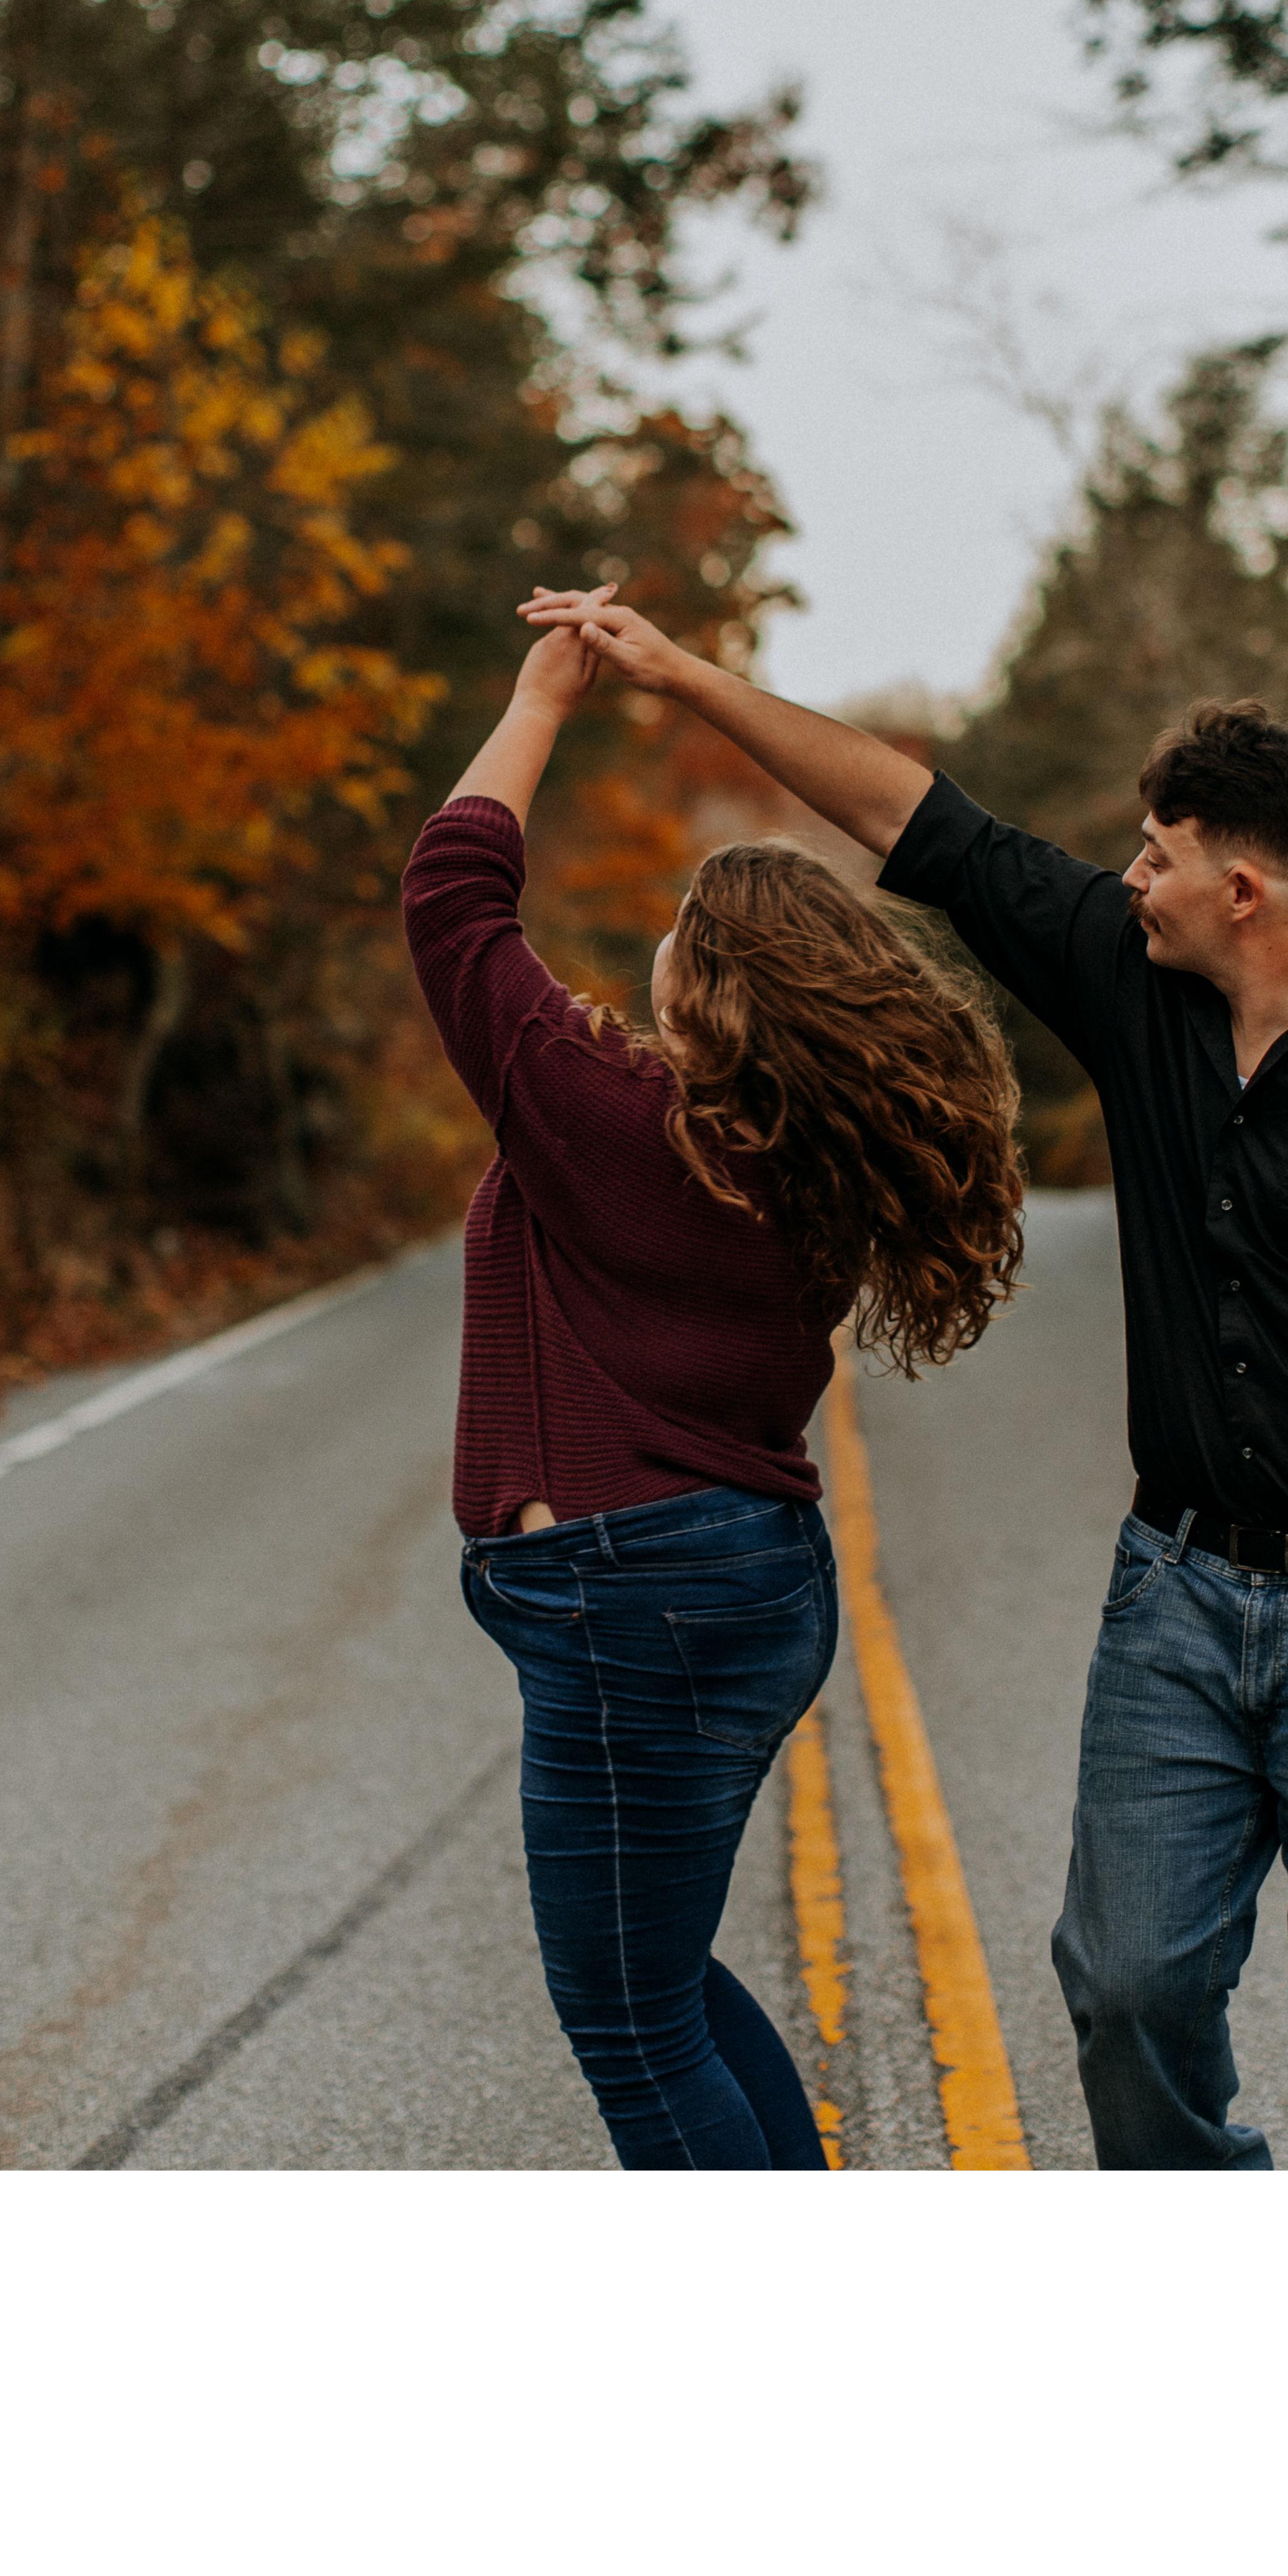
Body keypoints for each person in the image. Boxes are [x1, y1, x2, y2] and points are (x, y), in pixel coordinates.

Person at [523, 587, 1288, 2172]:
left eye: (1156, 856)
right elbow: (919, 820)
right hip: (1178, 1594)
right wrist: (685, 675)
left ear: (1242, 889)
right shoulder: (1137, 987)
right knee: (1123, 1990)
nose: (1130, 879)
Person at [401, 600, 1025, 2170]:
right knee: (661, 1988)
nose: (663, 937)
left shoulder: (622, 1126)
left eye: (686, 923)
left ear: (718, 983)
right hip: (743, 1583)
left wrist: (544, 693)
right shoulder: (808, 1156)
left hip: (638, 1602)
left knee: (628, 2023)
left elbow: (452, 896)